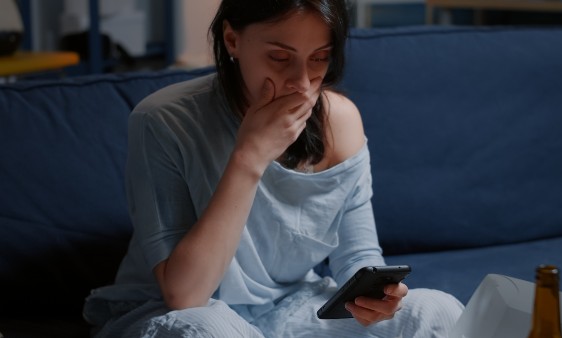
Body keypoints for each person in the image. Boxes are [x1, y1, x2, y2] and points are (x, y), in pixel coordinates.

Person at [83, 0, 464, 337]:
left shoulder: (340, 121)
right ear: (233, 41)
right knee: (207, 331)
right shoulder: (164, 120)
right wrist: (249, 158)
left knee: (437, 311)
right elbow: (185, 294)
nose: (301, 83)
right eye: (280, 58)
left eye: (319, 58)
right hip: (185, 313)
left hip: (294, 308)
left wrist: (375, 297)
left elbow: (358, 255)